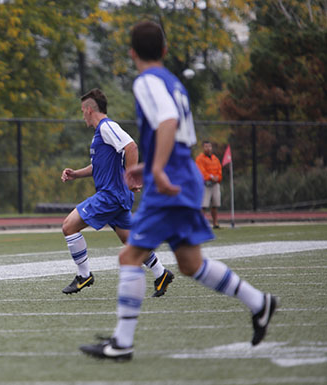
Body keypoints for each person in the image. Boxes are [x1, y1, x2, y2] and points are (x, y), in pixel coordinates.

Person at [79, 20, 277, 361]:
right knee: (189, 262)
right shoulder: (174, 82)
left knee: (129, 256)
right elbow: (180, 130)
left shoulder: (146, 81)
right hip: (183, 170)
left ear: (131, 53)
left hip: (169, 177)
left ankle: (122, 343)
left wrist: (156, 168)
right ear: (166, 51)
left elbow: (168, 121)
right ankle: (259, 302)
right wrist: (151, 162)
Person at [60, 88, 174, 297]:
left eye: (82, 110)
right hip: (117, 196)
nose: (82, 114)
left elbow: (131, 147)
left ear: (88, 109)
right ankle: (161, 273)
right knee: (130, 240)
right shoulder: (101, 133)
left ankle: (84, 275)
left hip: (110, 195)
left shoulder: (107, 127)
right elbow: (98, 166)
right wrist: (76, 174)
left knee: (68, 226)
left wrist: (131, 177)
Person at [195, 141, 222, 228]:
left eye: (209, 146)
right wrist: (210, 177)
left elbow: (219, 170)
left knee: (215, 204)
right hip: (205, 184)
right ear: (203, 148)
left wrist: (218, 177)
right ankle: (200, 223)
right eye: (206, 146)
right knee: (204, 205)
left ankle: (215, 223)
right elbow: (201, 171)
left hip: (215, 184)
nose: (208, 148)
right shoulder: (200, 158)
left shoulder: (215, 159)